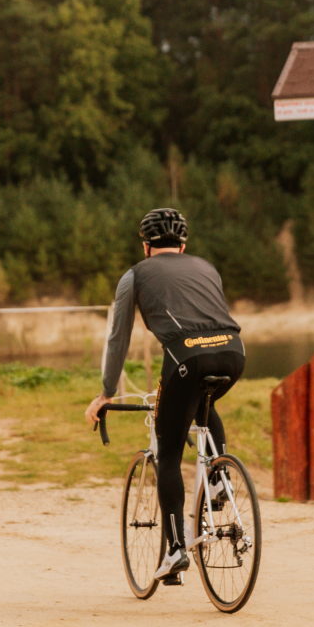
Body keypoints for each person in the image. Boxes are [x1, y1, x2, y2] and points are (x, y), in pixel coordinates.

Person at [85, 207, 245, 585]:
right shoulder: (207, 267)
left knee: (168, 449)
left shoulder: (135, 275)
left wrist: (107, 392)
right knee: (203, 400)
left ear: (145, 246)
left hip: (185, 355)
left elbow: (117, 337)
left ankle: (175, 550)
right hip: (234, 352)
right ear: (183, 244)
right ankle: (219, 476)